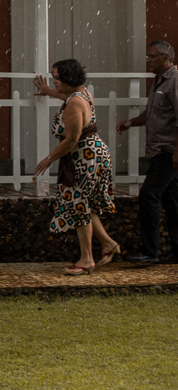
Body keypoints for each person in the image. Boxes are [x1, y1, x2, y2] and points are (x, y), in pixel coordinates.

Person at [33, 59, 119, 275]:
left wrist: (48, 159)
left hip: (85, 159)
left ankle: (86, 259)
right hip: (96, 154)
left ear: (69, 79)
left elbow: (71, 140)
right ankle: (108, 244)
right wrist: (49, 92)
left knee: (80, 206)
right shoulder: (82, 93)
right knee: (86, 204)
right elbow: (67, 96)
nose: (54, 81)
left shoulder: (74, 103)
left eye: (57, 78)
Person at [117, 40, 178, 265]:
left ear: (165, 57)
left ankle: (150, 251)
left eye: (152, 56)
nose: (148, 60)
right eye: (147, 56)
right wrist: (132, 122)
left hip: (168, 151)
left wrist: (176, 153)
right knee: (172, 200)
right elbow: (152, 114)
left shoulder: (175, 81)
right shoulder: (158, 82)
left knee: (149, 195)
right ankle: (176, 250)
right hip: (159, 150)